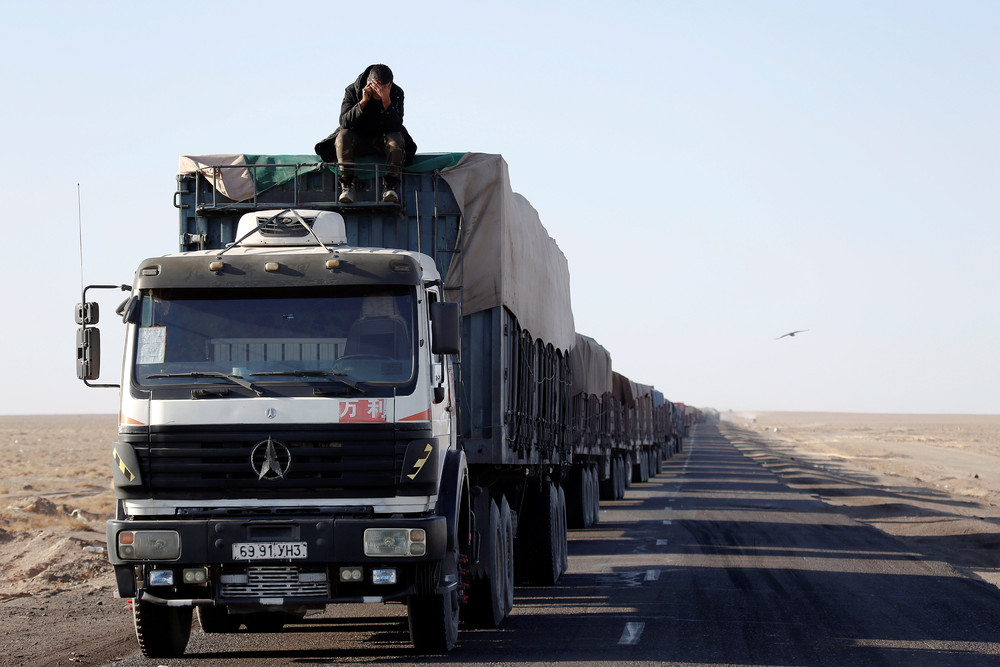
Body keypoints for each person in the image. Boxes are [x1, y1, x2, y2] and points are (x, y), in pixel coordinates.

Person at [315, 64, 417, 204]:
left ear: (389, 85)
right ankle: (348, 186)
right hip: (357, 140)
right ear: (369, 82)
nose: (379, 91)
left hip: (383, 141)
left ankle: (390, 186)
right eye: (376, 87)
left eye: (384, 87)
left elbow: (396, 126)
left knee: (396, 138)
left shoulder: (396, 93)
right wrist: (363, 102)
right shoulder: (353, 90)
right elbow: (344, 122)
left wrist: (386, 102)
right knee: (342, 136)